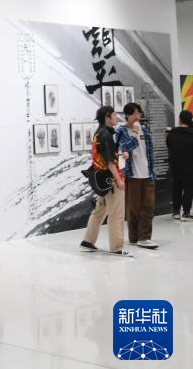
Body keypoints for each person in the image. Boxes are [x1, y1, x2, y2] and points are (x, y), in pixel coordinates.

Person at [81, 106, 131, 257]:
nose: (117, 117)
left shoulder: (100, 133)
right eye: (114, 115)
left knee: (100, 210)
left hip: (102, 180)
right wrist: (119, 180)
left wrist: (120, 155)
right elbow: (109, 162)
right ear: (107, 117)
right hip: (111, 180)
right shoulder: (105, 135)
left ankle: (88, 241)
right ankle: (117, 247)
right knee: (116, 214)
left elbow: (105, 156)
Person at [116, 102, 158, 249]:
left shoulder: (144, 130)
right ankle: (134, 237)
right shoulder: (121, 131)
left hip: (148, 174)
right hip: (132, 175)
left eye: (139, 113)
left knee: (149, 206)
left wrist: (153, 171)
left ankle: (144, 237)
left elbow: (149, 151)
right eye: (135, 113)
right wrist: (134, 133)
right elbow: (125, 148)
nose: (138, 116)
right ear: (127, 115)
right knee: (133, 208)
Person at [166, 110, 193, 221]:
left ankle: (176, 212)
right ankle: (186, 212)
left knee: (176, 188)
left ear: (180, 119)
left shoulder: (172, 133)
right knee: (188, 190)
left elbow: (169, 146)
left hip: (175, 166)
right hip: (190, 166)